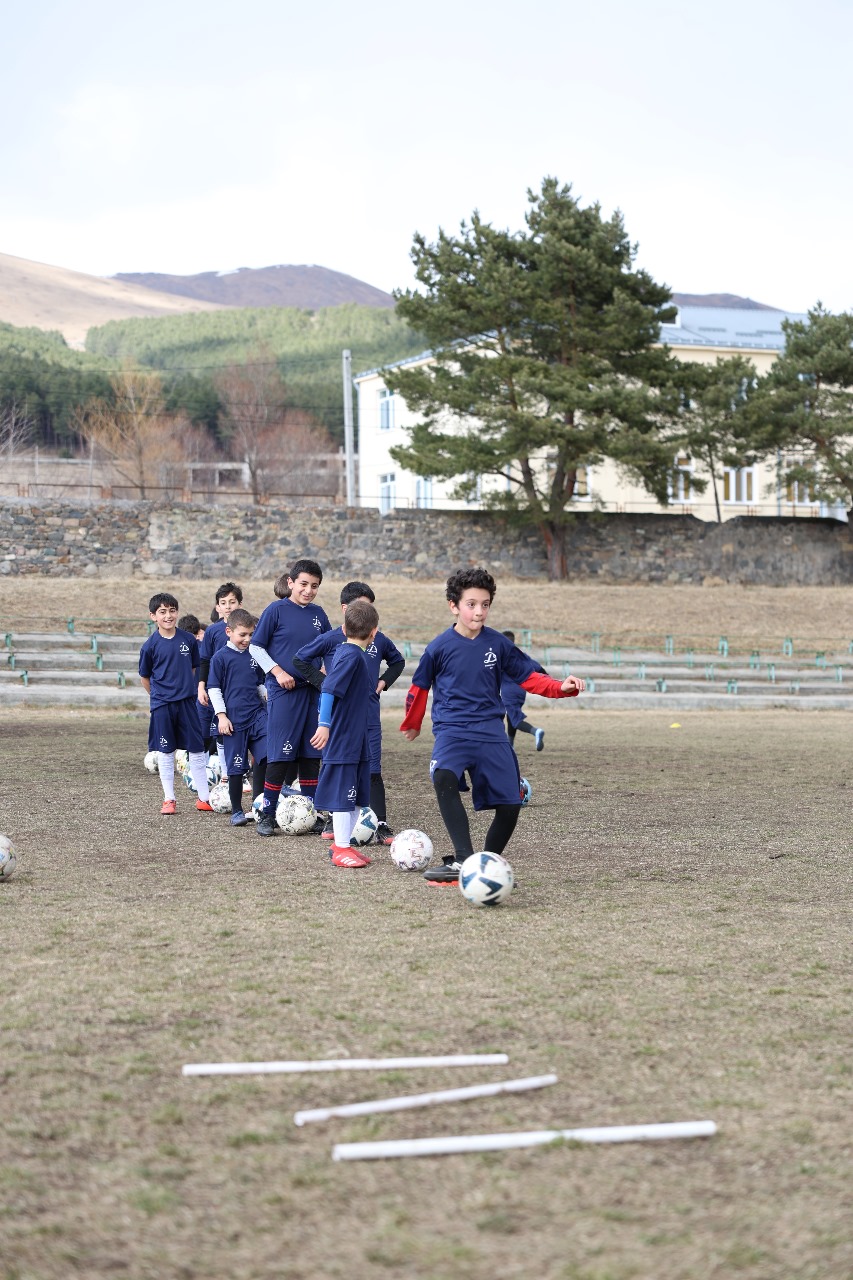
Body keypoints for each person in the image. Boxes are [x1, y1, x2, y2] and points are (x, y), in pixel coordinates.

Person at [400, 568, 585, 884]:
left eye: (485, 604)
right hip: (452, 730)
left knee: (512, 803)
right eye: (471, 604)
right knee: (443, 776)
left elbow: (529, 676)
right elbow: (419, 687)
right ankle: (462, 860)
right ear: (453, 605)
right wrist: (413, 723)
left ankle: (485, 864)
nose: (479, 612)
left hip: (490, 731)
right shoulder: (438, 647)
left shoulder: (498, 644)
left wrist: (560, 687)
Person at [292, 580, 405, 844]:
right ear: (345, 612)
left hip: (364, 721)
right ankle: (339, 835)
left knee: (367, 774)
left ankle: (376, 824)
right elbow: (319, 678)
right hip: (342, 727)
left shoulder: (369, 644)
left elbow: (397, 662)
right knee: (343, 778)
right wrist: (324, 715)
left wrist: (382, 682)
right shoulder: (344, 649)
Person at [249, 559, 331, 836]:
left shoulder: (319, 614)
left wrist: (325, 668)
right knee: (280, 755)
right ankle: (267, 813)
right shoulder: (276, 610)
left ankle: (311, 813)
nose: (308, 590)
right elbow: (256, 647)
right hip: (284, 692)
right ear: (291, 583)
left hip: (312, 693)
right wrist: (278, 671)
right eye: (303, 584)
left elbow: (330, 647)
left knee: (310, 755)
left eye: (314, 586)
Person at [310, 600, 379, 868]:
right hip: (342, 738)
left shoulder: (349, 652)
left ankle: (342, 844)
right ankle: (341, 848)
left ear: (343, 628)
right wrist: (324, 724)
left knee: (357, 796)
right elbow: (328, 689)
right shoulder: (350, 656)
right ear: (374, 632)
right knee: (343, 795)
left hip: (356, 737)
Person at [138, 592, 214, 816]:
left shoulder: (188, 640)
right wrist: (159, 696)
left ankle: (204, 798)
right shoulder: (149, 646)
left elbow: (193, 668)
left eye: (172, 611)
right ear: (153, 616)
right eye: (162, 612)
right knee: (166, 750)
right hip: (162, 706)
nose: (168, 616)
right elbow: (145, 678)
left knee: (196, 748)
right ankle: (169, 799)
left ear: (177, 612)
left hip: (187, 704)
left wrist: (184, 690)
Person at [207, 608, 268, 827]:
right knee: (236, 768)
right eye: (242, 634)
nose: (247, 639)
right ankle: (236, 810)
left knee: (267, 756)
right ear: (229, 632)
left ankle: (259, 805)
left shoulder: (255, 654)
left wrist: (267, 695)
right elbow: (214, 689)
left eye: (251, 634)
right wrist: (222, 717)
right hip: (234, 721)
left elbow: (259, 683)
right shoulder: (220, 658)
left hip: (257, 716)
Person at [197, 582, 244, 776]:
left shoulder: (250, 628)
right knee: (221, 731)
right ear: (217, 607)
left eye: (232, 602)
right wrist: (201, 687)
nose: (228, 606)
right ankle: (226, 775)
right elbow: (205, 661)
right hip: (218, 689)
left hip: (242, 688)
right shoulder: (212, 631)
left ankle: (240, 773)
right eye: (223, 603)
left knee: (243, 731)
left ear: (240, 604)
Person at [501, 630, 546, 751]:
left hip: (509, 692)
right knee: (512, 716)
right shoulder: (521, 655)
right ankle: (510, 745)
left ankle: (536, 731)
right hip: (521, 691)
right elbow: (539, 669)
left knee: (516, 719)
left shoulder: (501, 656)